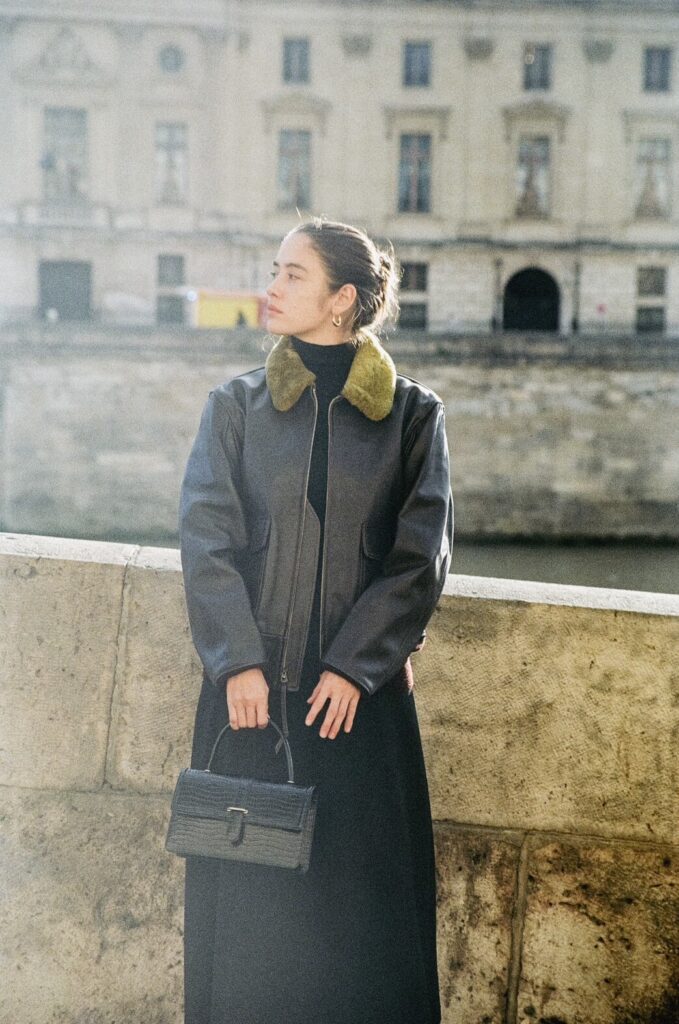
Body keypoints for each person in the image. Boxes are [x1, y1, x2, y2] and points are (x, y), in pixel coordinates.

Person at [178, 216, 454, 1024]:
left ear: (342, 299)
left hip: (358, 713)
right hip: (252, 705)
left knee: (360, 929)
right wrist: (237, 661)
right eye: (274, 269)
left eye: (291, 274)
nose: (271, 287)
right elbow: (206, 541)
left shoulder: (412, 416)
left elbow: (420, 558)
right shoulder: (234, 406)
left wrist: (353, 667)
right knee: (250, 931)